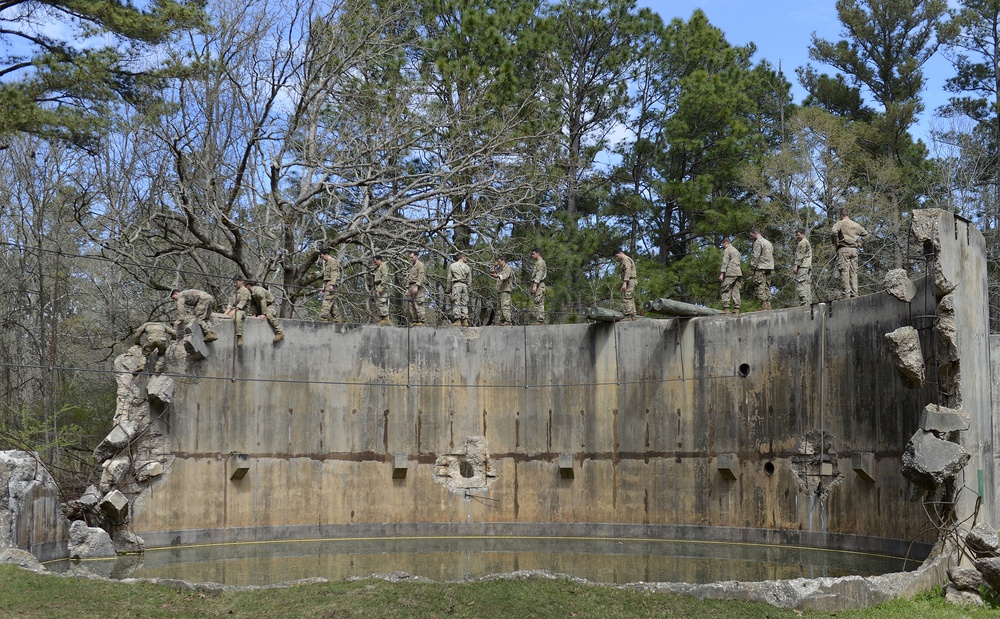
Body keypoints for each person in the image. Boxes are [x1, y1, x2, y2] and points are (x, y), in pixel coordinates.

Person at [830, 210, 869, 299]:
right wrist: (859, 244)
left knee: (844, 271)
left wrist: (835, 243)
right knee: (853, 272)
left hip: (844, 249)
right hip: (854, 250)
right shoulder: (855, 224)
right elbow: (866, 235)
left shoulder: (840, 223)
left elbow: (833, 232)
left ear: (841, 215)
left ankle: (846, 295)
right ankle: (855, 294)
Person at [223, 276, 252, 347]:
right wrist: (226, 313)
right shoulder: (234, 291)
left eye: (236, 282)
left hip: (243, 310)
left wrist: (233, 312)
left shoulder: (245, 291)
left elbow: (242, 303)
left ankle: (239, 336)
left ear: (241, 281)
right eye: (234, 282)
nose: (235, 284)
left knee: (237, 317)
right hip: (235, 309)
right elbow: (230, 303)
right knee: (224, 316)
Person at [749, 228, 774, 310]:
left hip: (761, 267)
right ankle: (768, 304)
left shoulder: (758, 242)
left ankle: (764, 304)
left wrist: (752, 268)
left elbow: (756, 256)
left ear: (755, 233)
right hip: (769, 267)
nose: (751, 236)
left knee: (759, 285)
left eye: (751, 234)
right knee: (767, 285)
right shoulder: (768, 242)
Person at [447, 253, 472, 326]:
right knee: (464, 303)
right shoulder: (467, 267)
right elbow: (469, 280)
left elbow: (449, 278)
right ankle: (465, 320)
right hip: (465, 286)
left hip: (456, 285)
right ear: (463, 257)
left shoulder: (453, 265)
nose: (466, 259)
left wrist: (448, 289)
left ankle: (457, 320)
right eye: (466, 257)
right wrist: (469, 289)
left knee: (456, 302)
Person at [718, 238, 742, 315]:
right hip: (738, 272)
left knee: (725, 289)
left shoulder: (727, 250)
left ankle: (726, 308)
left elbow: (725, 262)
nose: (723, 247)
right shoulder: (736, 251)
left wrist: (722, 274)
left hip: (730, 272)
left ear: (725, 243)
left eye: (723, 245)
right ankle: (736, 309)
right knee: (736, 291)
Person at [318, 248, 342, 323]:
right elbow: (326, 277)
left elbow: (334, 274)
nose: (322, 258)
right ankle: (337, 319)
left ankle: (323, 318)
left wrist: (332, 284)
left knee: (327, 300)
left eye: (322, 256)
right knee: (332, 302)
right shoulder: (327, 263)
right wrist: (324, 287)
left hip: (332, 284)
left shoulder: (333, 262)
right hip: (328, 284)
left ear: (325, 254)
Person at [404, 250, 427, 326]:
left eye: (412, 257)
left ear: (416, 256)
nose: (410, 259)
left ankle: (421, 321)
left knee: (418, 303)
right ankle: (414, 320)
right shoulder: (412, 266)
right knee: (411, 305)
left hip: (417, 287)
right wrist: (407, 288)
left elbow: (421, 276)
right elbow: (409, 278)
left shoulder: (420, 265)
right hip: (411, 286)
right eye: (410, 257)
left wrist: (417, 286)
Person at [614, 249, 638, 320]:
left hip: (629, 280)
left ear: (620, 253)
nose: (616, 258)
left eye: (617, 256)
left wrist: (625, 282)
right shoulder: (626, 259)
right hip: (631, 280)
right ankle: (633, 315)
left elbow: (628, 271)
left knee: (627, 296)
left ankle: (628, 315)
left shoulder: (626, 260)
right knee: (631, 297)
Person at [489, 257, 513, 326]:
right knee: (499, 306)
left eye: (499, 261)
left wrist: (497, 276)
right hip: (500, 290)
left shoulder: (507, 268)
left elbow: (504, 276)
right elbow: (491, 272)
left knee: (505, 305)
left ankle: (508, 321)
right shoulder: (500, 269)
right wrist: (494, 266)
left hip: (505, 290)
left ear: (503, 261)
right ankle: (501, 320)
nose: (498, 263)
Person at [793, 228, 812, 306]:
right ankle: (808, 302)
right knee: (806, 284)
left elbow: (800, 255)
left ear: (803, 234)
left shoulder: (802, 242)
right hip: (807, 266)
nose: (797, 236)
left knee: (801, 284)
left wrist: (795, 265)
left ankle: (804, 302)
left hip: (803, 266)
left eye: (798, 235)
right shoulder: (806, 242)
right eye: (796, 235)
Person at [372, 254, 391, 325]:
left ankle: (385, 318)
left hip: (383, 289)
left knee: (381, 302)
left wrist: (382, 288)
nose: (375, 263)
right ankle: (382, 318)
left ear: (379, 260)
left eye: (375, 261)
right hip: (379, 288)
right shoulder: (379, 267)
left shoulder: (383, 266)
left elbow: (385, 277)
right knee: (379, 303)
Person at [530, 248, 546, 324]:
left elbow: (539, 275)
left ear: (538, 253)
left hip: (539, 284)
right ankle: (539, 319)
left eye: (534, 254)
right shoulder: (538, 263)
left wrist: (535, 285)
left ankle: (540, 320)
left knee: (538, 302)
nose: (533, 255)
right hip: (538, 284)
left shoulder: (540, 263)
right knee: (537, 301)